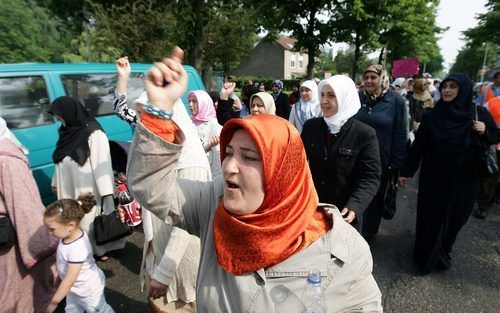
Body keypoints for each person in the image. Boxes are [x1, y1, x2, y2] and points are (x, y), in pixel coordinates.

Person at [126, 47, 383, 312]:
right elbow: (152, 187)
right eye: (227, 153)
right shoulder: (212, 204)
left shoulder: (342, 252)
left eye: (248, 157)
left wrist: (356, 202)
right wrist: (159, 110)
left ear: (282, 170)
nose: (229, 167)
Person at [113, 57, 210, 312]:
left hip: (180, 268)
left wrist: (165, 272)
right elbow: (141, 183)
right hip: (159, 251)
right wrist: (123, 79)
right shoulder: (160, 153)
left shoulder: (192, 163)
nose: (147, 126)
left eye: (154, 117)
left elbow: (184, 230)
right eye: (146, 117)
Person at [398, 73, 498, 275]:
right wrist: (406, 172)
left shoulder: (477, 113)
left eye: (453, 86)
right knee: (430, 219)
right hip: (433, 179)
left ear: (464, 90)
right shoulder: (433, 116)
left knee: (455, 219)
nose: (447, 90)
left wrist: (484, 130)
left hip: (465, 181)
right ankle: (425, 256)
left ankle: (444, 249)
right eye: (445, 86)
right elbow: (419, 147)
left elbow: (495, 137)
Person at [49, 96, 126, 260]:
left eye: (59, 115)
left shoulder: (94, 132)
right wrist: (55, 181)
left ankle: (100, 249)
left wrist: (107, 192)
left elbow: (102, 163)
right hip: (68, 185)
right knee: (72, 217)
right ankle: (81, 248)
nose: (59, 119)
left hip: (86, 187)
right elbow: (60, 158)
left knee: (90, 220)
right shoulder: (66, 131)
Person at [301, 75, 381, 231]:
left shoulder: (364, 134)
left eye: (331, 95)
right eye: (322, 95)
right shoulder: (311, 127)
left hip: (344, 216)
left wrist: (355, 205)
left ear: (345, 98)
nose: (324, 101)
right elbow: (298, 163)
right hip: (312, 211)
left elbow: (370, 177)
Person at [0, 117, 59, 313]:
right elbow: (25, 207)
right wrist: (43, 243)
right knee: (19, 291)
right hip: (12, 240)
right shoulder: (8, 160)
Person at [354, 64, 408, 241]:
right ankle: (353, 231)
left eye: (373, 77)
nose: (369, 81)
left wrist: (396, 164)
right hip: (355, 157)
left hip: (381, 161)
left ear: (382, 78)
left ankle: (368, 234)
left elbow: (401, 134)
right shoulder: (358, 98)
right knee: (356, 195)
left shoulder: (396, 101)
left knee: (375, 199)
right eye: (366, 77)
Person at [44, 194, 114, 313]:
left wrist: (53, 302)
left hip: (87, 290)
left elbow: (70, 279)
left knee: (99, 310)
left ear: (71, 225)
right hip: (75, 289)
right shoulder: (69, 236)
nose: (49, 232)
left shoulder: (77, 248)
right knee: (72, 309)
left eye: (52, 229)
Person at [475, 93, 500, 219]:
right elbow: (479, 119)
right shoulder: (492, 103)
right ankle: (483, 206)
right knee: (490, 178)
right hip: (494, 147)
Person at [189, 90, 223, 177]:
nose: (190, 105)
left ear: (203, 103)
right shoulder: (189, 122)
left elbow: (217, 155)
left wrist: (216, 180)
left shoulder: (213, 125)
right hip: (191, 172)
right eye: (189, 101)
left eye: (194, 101)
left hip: (206, 175)